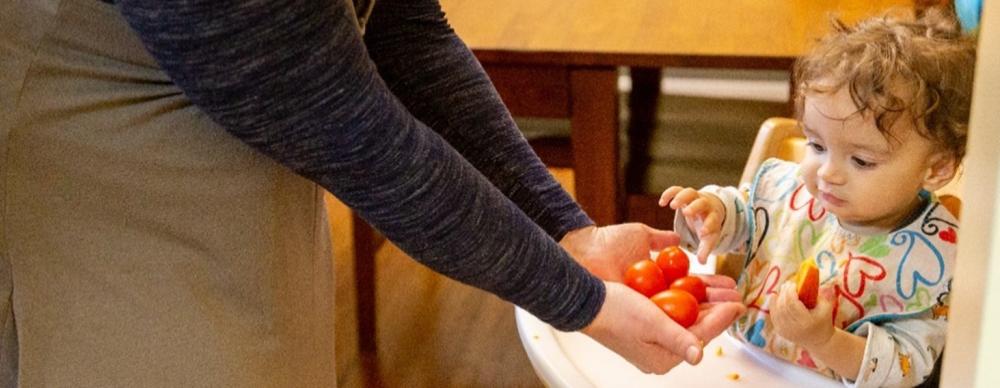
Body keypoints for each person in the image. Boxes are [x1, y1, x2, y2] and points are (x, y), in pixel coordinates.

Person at [0, 0, 746, 385]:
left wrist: (565, 231)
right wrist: (571, 294)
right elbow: (326, 106)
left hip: (249, 140)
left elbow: (399, 30)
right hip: (95, 180)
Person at [658, 10, 976, 388]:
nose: (827, 173)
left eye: (861, 160)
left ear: (936, 168)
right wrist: (713, 214)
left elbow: (903, 369)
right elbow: (750, 218)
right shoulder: (791, 192)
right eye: (816, 145)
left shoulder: (934, 256)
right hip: (743, 364)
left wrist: (823, 340)